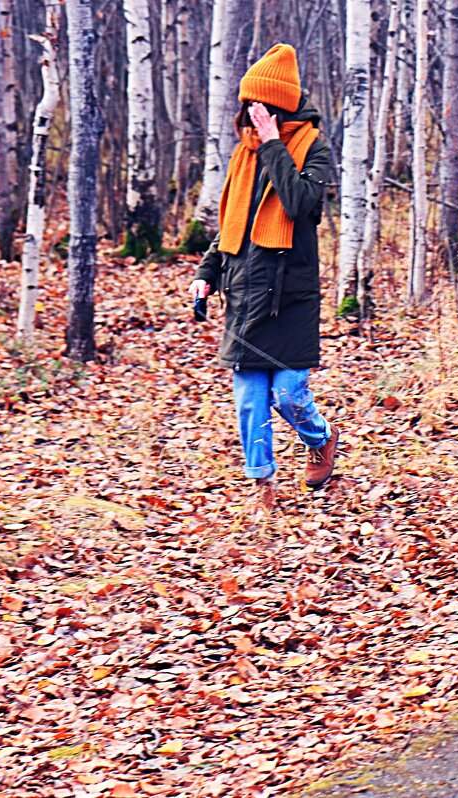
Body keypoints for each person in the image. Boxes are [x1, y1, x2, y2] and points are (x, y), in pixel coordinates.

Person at [189, 43, 339, 517]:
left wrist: (274, 143)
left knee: (288, 393)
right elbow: (230, 226)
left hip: (290, 295)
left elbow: (299, 204)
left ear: (278, 107)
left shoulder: (313, 147)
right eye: (248, 106)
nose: (251, 115)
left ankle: (321, 439)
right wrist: (206, 275)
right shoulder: (242, 154)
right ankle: (264, 489)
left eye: (261, 106)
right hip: (244, 294)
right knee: (251, 403)